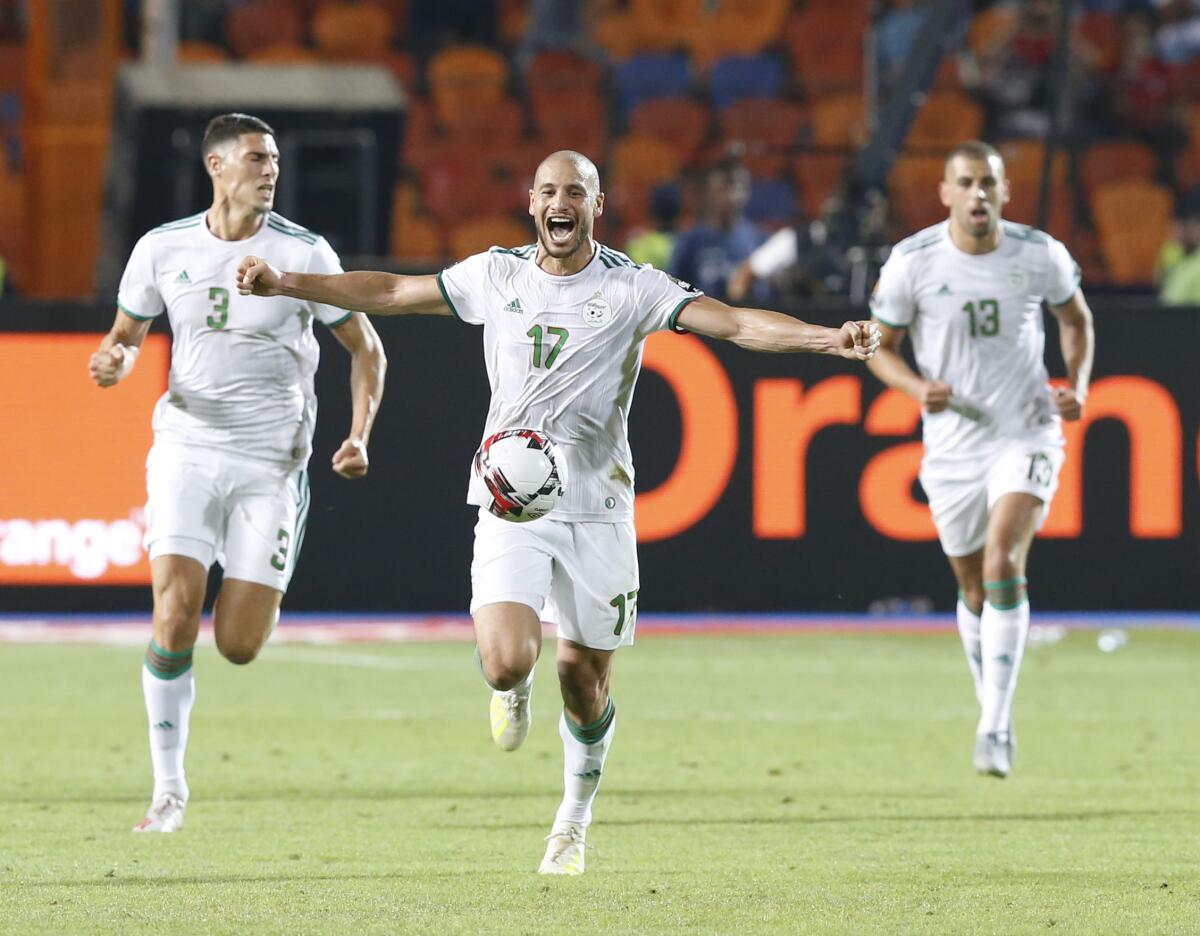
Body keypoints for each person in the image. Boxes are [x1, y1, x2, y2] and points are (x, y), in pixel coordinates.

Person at [236, 149, 880, 875]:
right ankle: (512, 690)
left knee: (585, 679)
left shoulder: (634, 288)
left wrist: (825, 338)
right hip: (511, 499)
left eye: (575, 190)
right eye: (547, 190)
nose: (560, 201)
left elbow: (731, 323)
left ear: (596, 207)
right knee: (508, 660)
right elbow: (390, 289)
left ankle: (573, 818)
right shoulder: (496, 274)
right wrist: (289, 282)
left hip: (598, 503)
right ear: (532, 204)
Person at [88, 113, 387, 833]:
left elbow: (366, 347)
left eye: (275, 159)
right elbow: (126, 338)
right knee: (173, 613)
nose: (271, 170)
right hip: (187, 448)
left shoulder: (302, 253)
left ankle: (182, 758)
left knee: (239, 644)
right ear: (216, 167)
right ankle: (168, 791)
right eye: (256, 158)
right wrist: (114, 362)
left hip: (272, 464)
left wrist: (358, 435)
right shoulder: (163, 248)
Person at [866, 140, 1094, 778]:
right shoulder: (913, 262)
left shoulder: (1038, 253)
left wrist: (1077, 383)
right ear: (945, 192)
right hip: (953, 446)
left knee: (1002, 560)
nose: (977, 196)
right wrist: (917, 389)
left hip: (1026, 431)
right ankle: (992, 706)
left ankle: (994, 725)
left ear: (1004, 192)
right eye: (965, 183)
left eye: (988, 184)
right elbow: (878, 346)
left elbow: (1076, 321)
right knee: (971, 588)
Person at [668, 159, 766, 300]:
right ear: (708, 193)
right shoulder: (690, 241)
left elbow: (767, 294)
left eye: (737, 188)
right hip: (704, 317)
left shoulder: (759, 240)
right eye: (721, 189)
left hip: (748, 317)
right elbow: (674, 290)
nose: (730, 196)